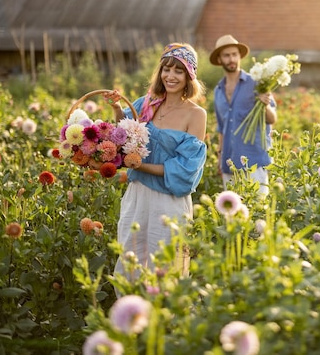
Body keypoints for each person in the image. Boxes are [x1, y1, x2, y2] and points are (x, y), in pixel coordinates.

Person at [103, 43, 207, 281]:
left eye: (179, 71)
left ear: (189, 76)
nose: (171, 76)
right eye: (166, 69)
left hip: (168, 201)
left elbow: (186, 169)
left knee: (166, 266)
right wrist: (118, 108)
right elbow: (123, 133)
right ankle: (131, 315)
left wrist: (140, 165)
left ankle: (163, 317)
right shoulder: (147, 103)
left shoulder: (196, 114)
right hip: (138, 193)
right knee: (129, 262)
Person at [210, 34, 276, 197]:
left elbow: (272, 119)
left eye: (234, 54)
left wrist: (264, 104)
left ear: (239, 56)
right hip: (229, 162)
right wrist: (220, 157)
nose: (231, 59)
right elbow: (221, 127)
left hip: (254, 160)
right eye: (226, 55)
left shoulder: (257, 82)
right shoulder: (218, 91)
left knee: (258, 212)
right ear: (219, 59)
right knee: (232, 217)